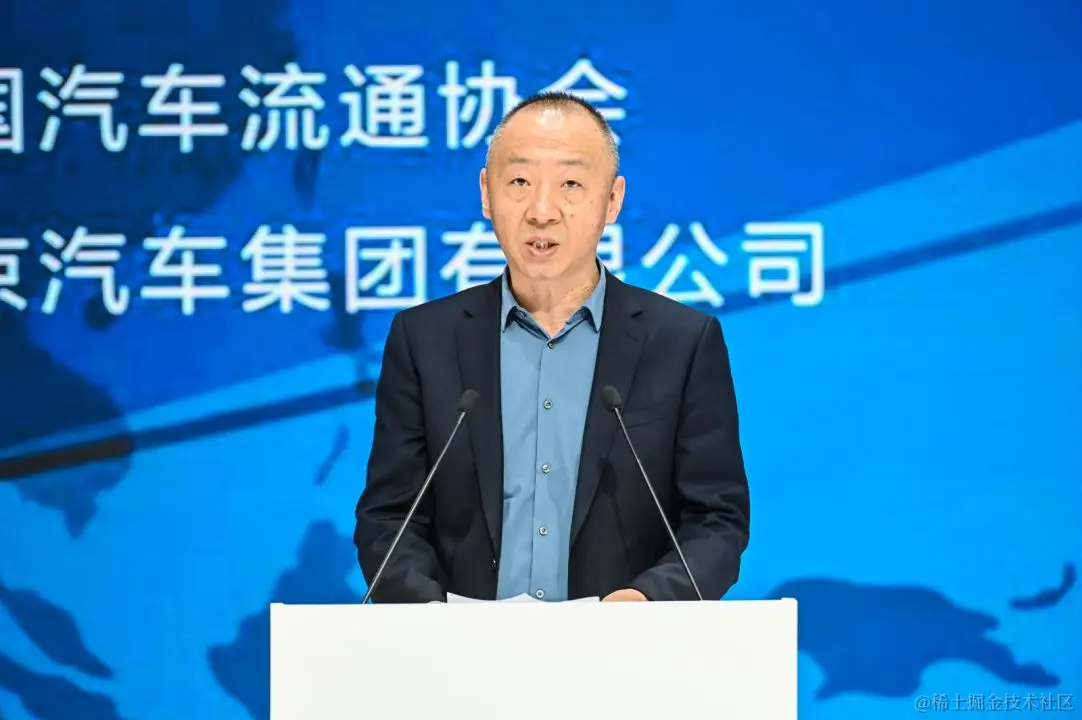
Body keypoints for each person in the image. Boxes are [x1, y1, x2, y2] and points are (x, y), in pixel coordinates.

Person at [354, 91, 750, 603]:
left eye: (571, 185)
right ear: (486, 194)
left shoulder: (682, 343)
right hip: (460, 647)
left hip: (622, 646)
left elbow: (716, 521)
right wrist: (431, 613)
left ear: (612, 200)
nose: (542, 212)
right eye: (519, 182)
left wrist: (648, 601)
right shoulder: (424, 339)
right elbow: (389, 518)